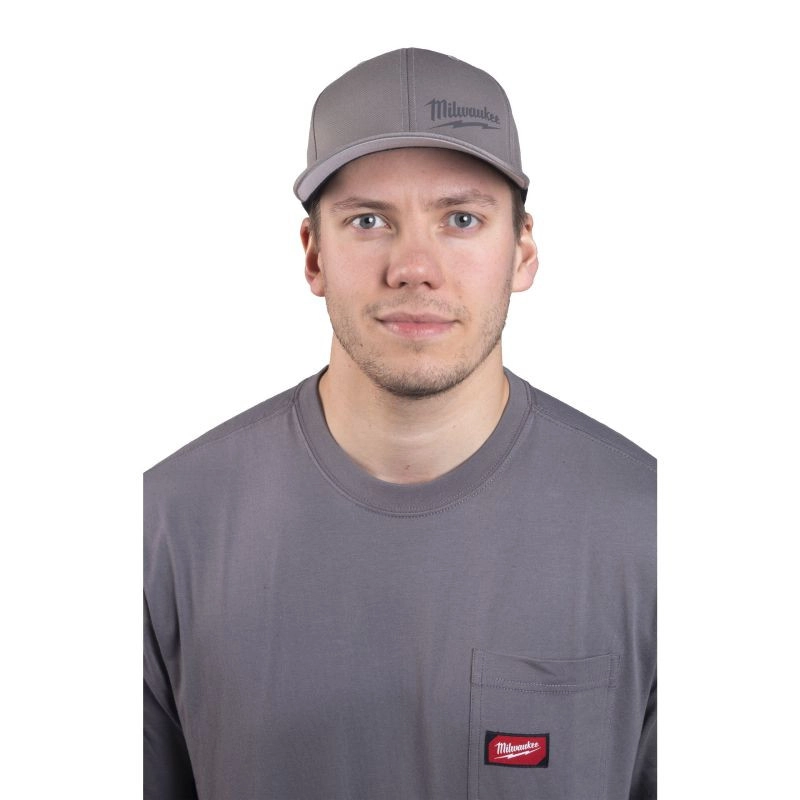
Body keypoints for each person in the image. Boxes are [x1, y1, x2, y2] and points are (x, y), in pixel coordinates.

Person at [144, 48, 656, 800]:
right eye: (369, 220)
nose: (414, 266)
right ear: (314, 255)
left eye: (460, 219)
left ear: (522, 250)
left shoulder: (653, 530)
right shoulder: (164, 529)